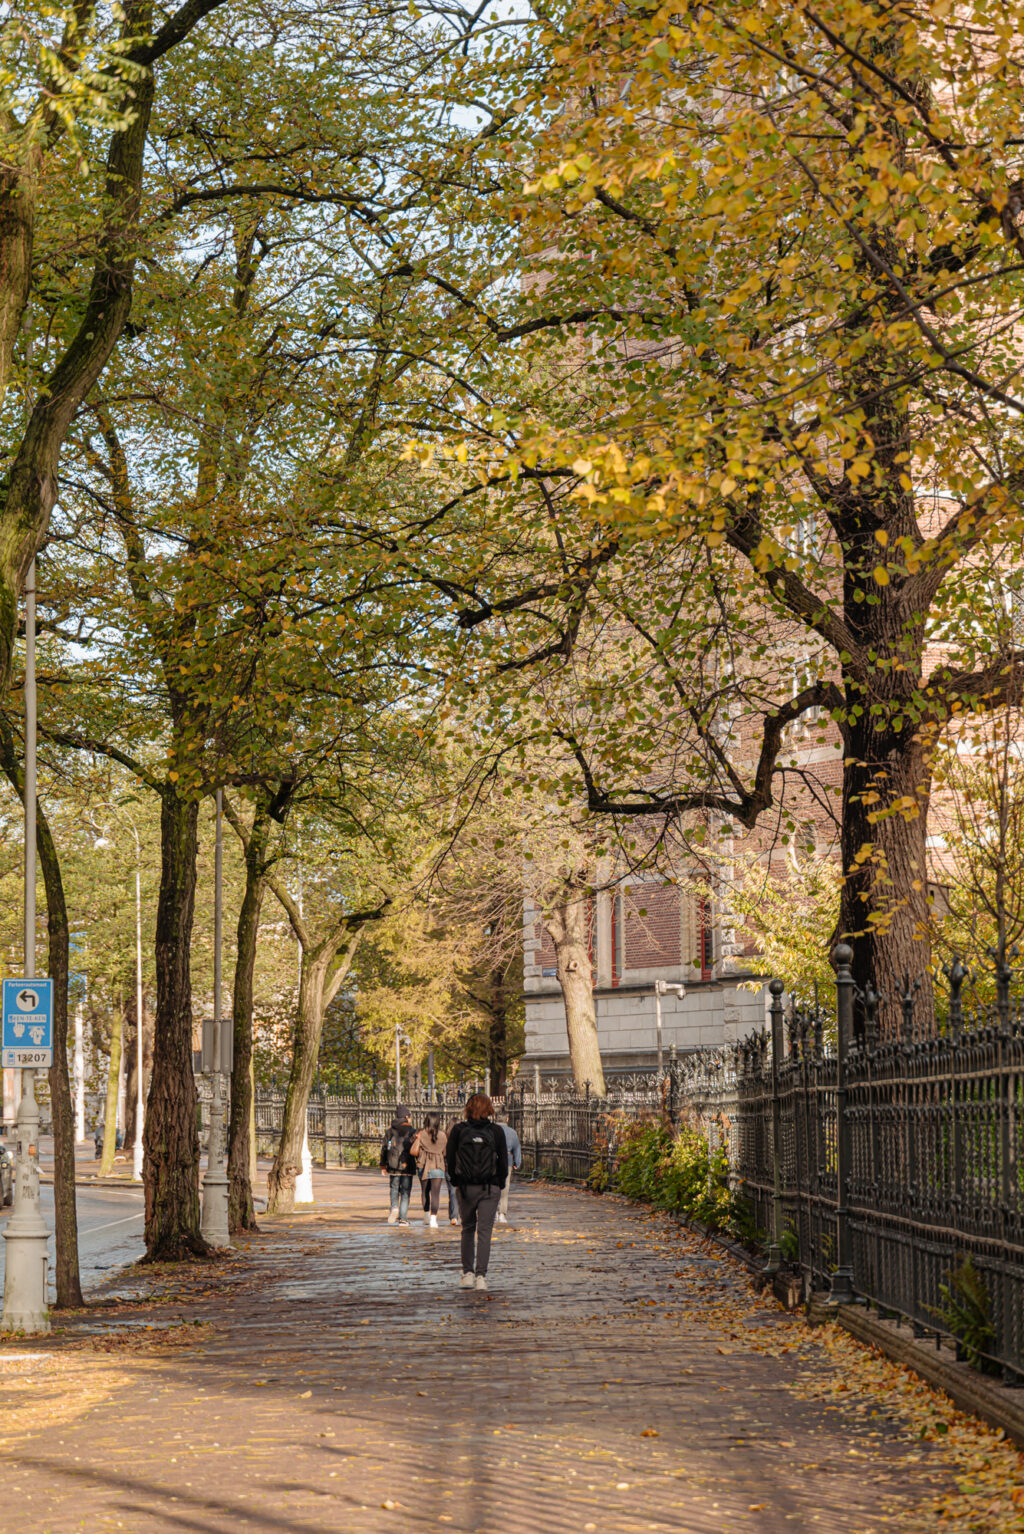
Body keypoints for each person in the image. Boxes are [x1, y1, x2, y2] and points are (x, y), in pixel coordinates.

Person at [445, 1092, 508, 1292]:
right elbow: (503, 1162)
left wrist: (456, 1181)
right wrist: (499, 1183)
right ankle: (481, 1276)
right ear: (489, 1108)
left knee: (468, 1229)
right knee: (485, 1232)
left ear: (468, 1108)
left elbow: (450, 1158)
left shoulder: (458, 1130)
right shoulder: (496, 1131)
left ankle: (467, 1274)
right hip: (490, 1187)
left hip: (465, 1187)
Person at [410, 1112, 448, 1228]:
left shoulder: (422, 1134)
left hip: (424, 1164)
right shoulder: (442, 1135)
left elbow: (413, 1149)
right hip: (438, 1165)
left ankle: (426, 1216)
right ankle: (433, 1219)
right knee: (436, 1194)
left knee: (425, 1191)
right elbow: (445, 1152)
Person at [380, 1105, 416, 1225]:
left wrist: (383, 1165)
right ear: (406, 1116)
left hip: (393, 1164)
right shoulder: (411, 1131)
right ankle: (403, 1219)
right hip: (407, 1164)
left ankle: (394, 1206)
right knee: (405, 1192)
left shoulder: (390, 1131)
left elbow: (384, 1148)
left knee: (394, 1188)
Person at [496, 1117, 522, 1225]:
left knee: (492, 1186)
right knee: (505, 1187)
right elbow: (517, 1148)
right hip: (507, 1161)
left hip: (491, 1160)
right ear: (507, 1119)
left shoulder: (490, 1129)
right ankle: (502, 1213)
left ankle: (492, 1211)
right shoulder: (512, 1132)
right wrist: (517, 1162)